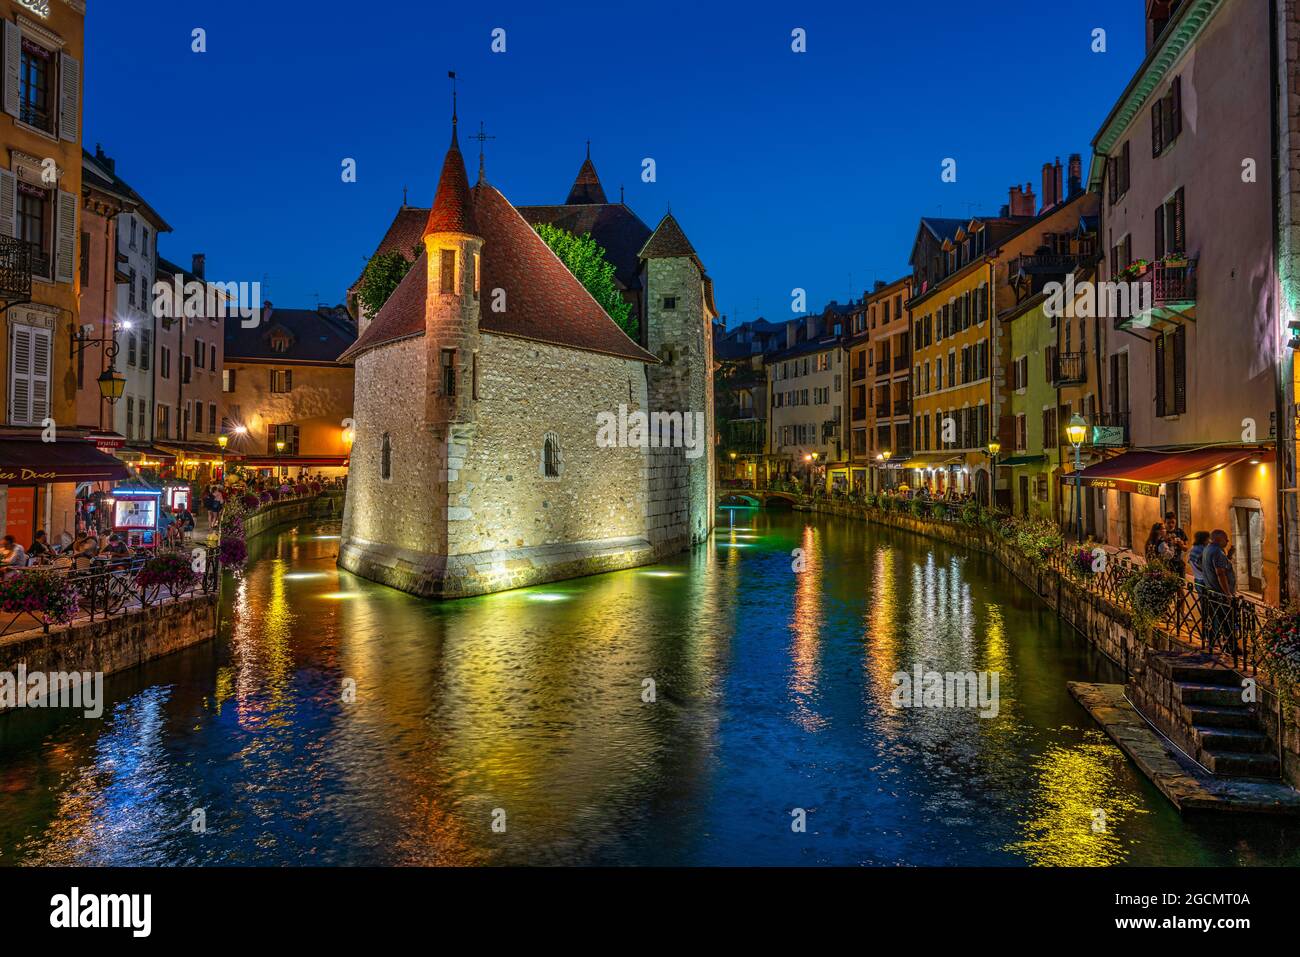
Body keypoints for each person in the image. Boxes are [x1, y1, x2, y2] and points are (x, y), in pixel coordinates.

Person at [1201, 529, 1238, 654]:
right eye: (1225, 539)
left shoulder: (1207, 549)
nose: (1227, 541)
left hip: (1211, 591)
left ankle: (1216, 642)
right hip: (1220, 593)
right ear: (1218, 539)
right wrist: (1228, 593)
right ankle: (1231, 646)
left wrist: (1228, 556)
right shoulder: (1217, 552)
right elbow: (1220, 574)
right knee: (1228, 619)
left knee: (1219, 618)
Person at [1163, 511, 1188, 576]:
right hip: (1165, 564)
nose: (1171, 525)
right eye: (1168, 523)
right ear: (1164, 522)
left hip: (1179, 564)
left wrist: (1181, 544)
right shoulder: (1162, 532)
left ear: (1176, 521)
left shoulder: (1180, 532)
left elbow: (1186, 549)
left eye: (1173, 522)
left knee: (1181, 584)